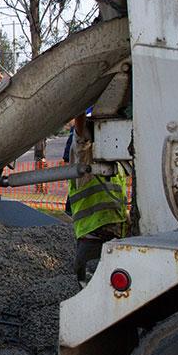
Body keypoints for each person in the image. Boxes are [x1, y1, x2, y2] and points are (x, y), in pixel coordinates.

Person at [67, 113, 130, 287]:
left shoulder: (116, 165)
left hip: (116, 241)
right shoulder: (86, 161)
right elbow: (81, 136)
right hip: (94, 243)